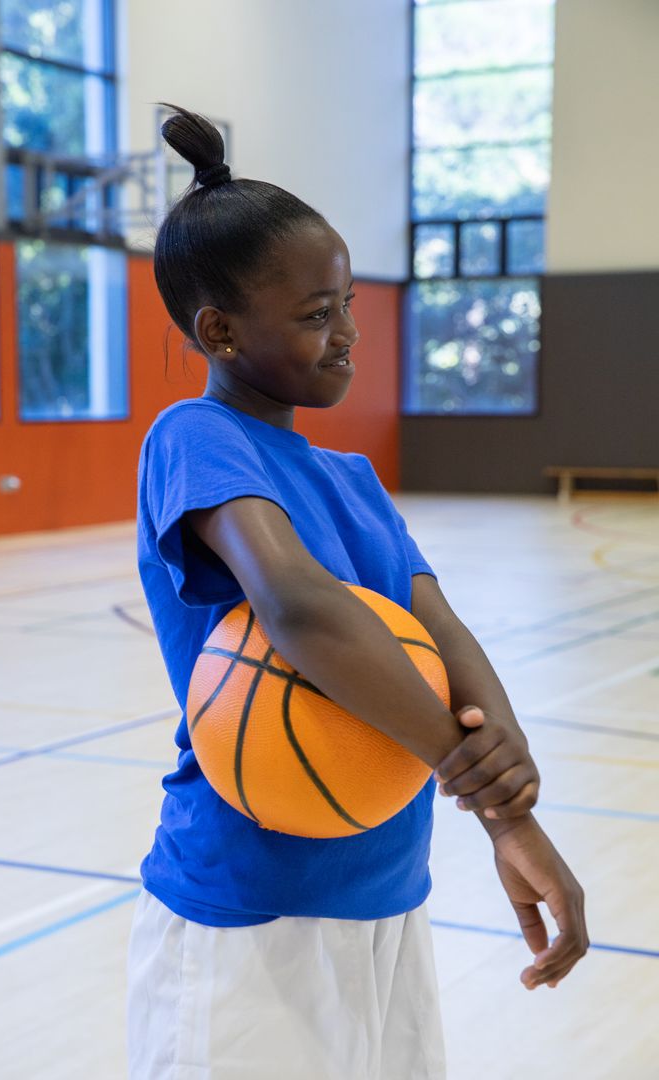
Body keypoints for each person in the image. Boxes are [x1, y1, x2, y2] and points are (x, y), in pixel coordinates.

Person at [126, 107, 588, 1080]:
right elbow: (298, 607)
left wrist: (511, 806)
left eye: (347, 306)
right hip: (245, 901)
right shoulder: (193, 438)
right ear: (218, 330)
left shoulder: (355, 479)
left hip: (383, 886)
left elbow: (444, 633)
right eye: (315, 314)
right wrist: (485, 792)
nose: (347, 335)